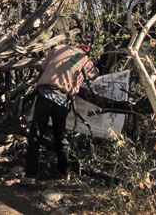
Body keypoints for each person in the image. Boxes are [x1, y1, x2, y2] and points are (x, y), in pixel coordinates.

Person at [22, 44, 99, 185]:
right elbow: (94, 76)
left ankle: (30, 176)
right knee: (60, 137)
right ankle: (64, 174)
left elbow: (43, 66)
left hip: (45, 94)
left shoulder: (59, 48)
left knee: (36, 135)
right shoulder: (86, 61)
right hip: (62, 100)